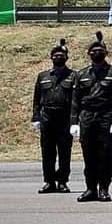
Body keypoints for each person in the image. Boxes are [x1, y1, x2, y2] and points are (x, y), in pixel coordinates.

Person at [68, 32, 112, 204]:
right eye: (93, 51)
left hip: (106, 116)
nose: (96, 53)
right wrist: (74, 122)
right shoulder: (81, 74)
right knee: (88, 154)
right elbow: (75, 100)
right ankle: (90, 188)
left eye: (100, 50)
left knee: (106, 154)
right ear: (88, 54)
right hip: (87, 117)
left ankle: (104, 189)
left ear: (106, 53)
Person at [32, 39, 77, 194]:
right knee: (47, 151)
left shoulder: (73, 76)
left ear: (66, 58)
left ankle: (63, 182)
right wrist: (36, 118)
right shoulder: (43, 76)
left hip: (64, 118)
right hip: (47, 118)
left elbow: (76, 100)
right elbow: (37, 99)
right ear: (51, 58)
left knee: (65, 152)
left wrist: (74, 120)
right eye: (56, 55)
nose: (59, 57)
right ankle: (49, 181)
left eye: (62, 55)